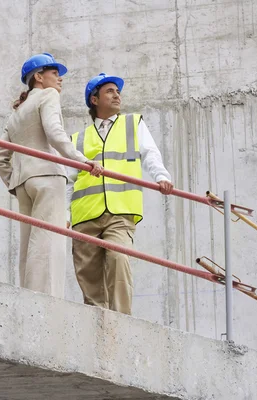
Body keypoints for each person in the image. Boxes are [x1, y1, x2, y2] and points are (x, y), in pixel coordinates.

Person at [0, 53, 104, 298]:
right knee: (49, 243)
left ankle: (29, 295)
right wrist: (81, 160)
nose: (60, 79)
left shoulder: (17, 112)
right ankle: (48, 300)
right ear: (39, 77)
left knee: (28, 243)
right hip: (48, 176)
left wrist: (15, 182)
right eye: (55, 73)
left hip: (25, 183)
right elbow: (54, 133)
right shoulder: (48, 95)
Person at [67, 73, 174, 314]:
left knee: (118, 258)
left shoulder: (132, 124)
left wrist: (161, 176)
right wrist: (65, 213)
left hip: (120, 211)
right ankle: (98, 322)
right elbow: (68, 180)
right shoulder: (78, 138)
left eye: (118, 91)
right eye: (110, 91)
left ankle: (121, 320)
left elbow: (149, 153)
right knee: (88, 274)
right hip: (84, 215)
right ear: (94, 100)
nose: (117, 95)